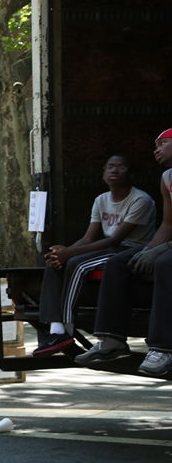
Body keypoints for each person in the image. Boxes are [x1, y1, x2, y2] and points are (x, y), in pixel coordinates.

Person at [33, 153, 155, 356]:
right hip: (110, 248)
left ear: (130, 173)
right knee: (55, 263)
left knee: (78, 265)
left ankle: (67, 329)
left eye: (121, 167)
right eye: (110, 166)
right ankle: (56, 329)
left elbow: (114, 239)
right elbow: (88, 238)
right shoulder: (101, 200)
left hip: (132, 249)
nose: (114, 170)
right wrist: (63, 253)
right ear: (103, 173)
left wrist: (69, 254)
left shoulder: (141, 200)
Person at [77, 129, 172, 375]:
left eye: (162, 143)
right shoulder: (167, 178)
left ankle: (163, 348)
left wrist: (163, 249)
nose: (156, 150)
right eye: (155, 145)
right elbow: (167, 225)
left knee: (164, 263)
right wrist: (148, 250)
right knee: (118, 263)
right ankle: (111, 340)